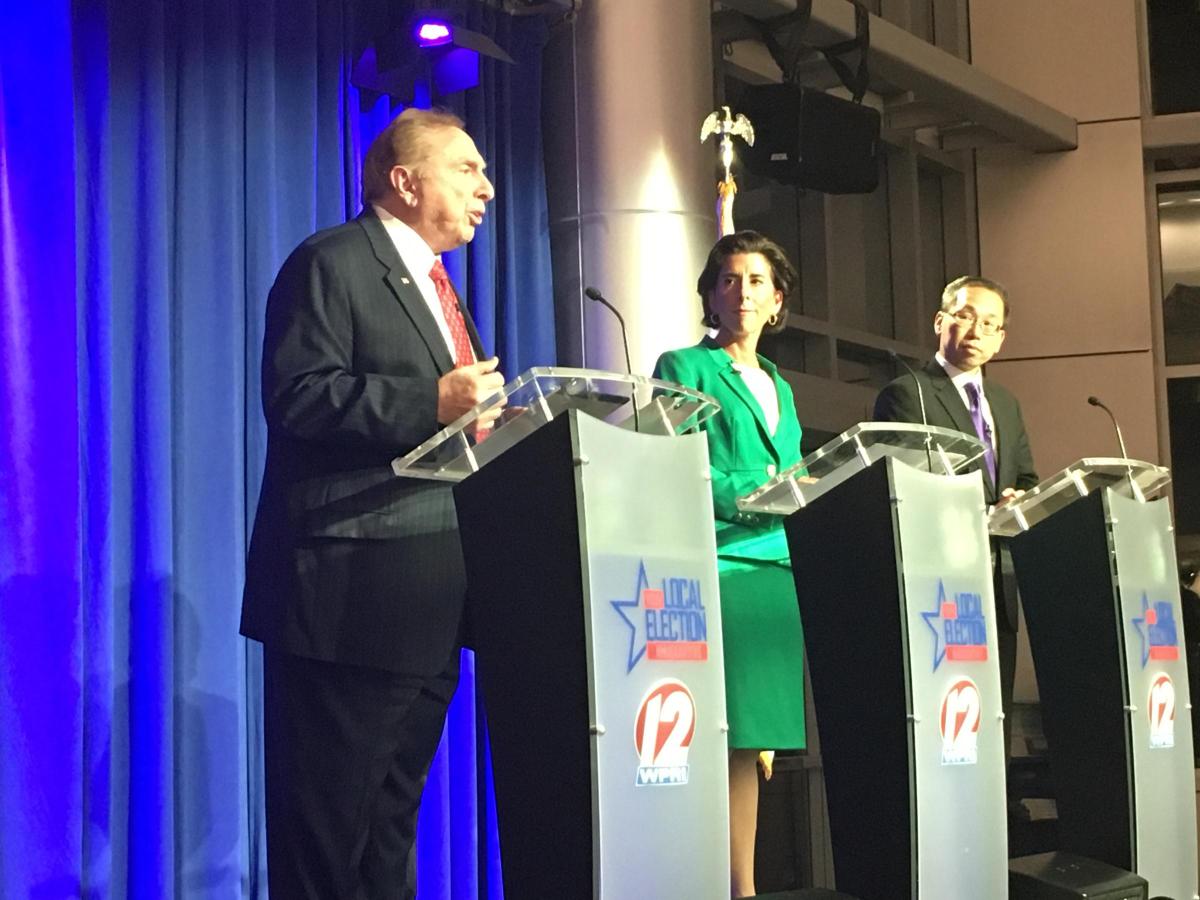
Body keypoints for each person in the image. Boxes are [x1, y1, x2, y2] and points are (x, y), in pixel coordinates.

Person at [240, 108, 503, 899]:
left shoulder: (439, 289)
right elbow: (298, 397)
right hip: (347, 596)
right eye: (466, 169)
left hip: (428, 598)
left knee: (390, 832)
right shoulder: (333, 263)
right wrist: (430, 401)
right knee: (325, 844)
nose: (486, 188)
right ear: (404, 179)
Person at [654, 231, 806, 899]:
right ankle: (715, 884)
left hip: (778, 568)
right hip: (722, 559)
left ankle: (743, 886)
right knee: (719, 735)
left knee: (751, 742)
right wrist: (750, 498)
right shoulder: (684, 365)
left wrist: (795, 493)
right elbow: (676, 460)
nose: (741, 292)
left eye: (755, 281)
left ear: (778, 300)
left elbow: (794, 468)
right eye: (728, 280)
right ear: (710, 295)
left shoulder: (779, 383)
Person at [873, 275, 1038, 757]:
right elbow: (904, 483)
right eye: (965, 316)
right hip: (942, 586)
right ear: (940, 320)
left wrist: (1016, 500)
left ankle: (997, 826)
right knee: (948, 730)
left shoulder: (1005, 404)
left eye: (990, 323)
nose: (976, 330)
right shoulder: (908, 393)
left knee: (993, 727)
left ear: (1001, 338)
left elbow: (1027, 477)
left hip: (997, 581)